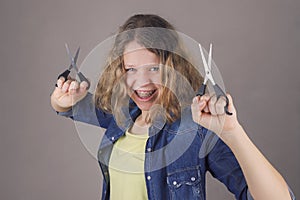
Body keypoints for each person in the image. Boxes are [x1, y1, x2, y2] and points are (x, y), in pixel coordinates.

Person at [50, 14, 295, 200]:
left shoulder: (196, 129)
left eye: (154, 68)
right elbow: (66, 106)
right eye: (131, 69)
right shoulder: (121, 114)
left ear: (173, 69)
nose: (142, 82)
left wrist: (233, 132)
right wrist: (61, 98)